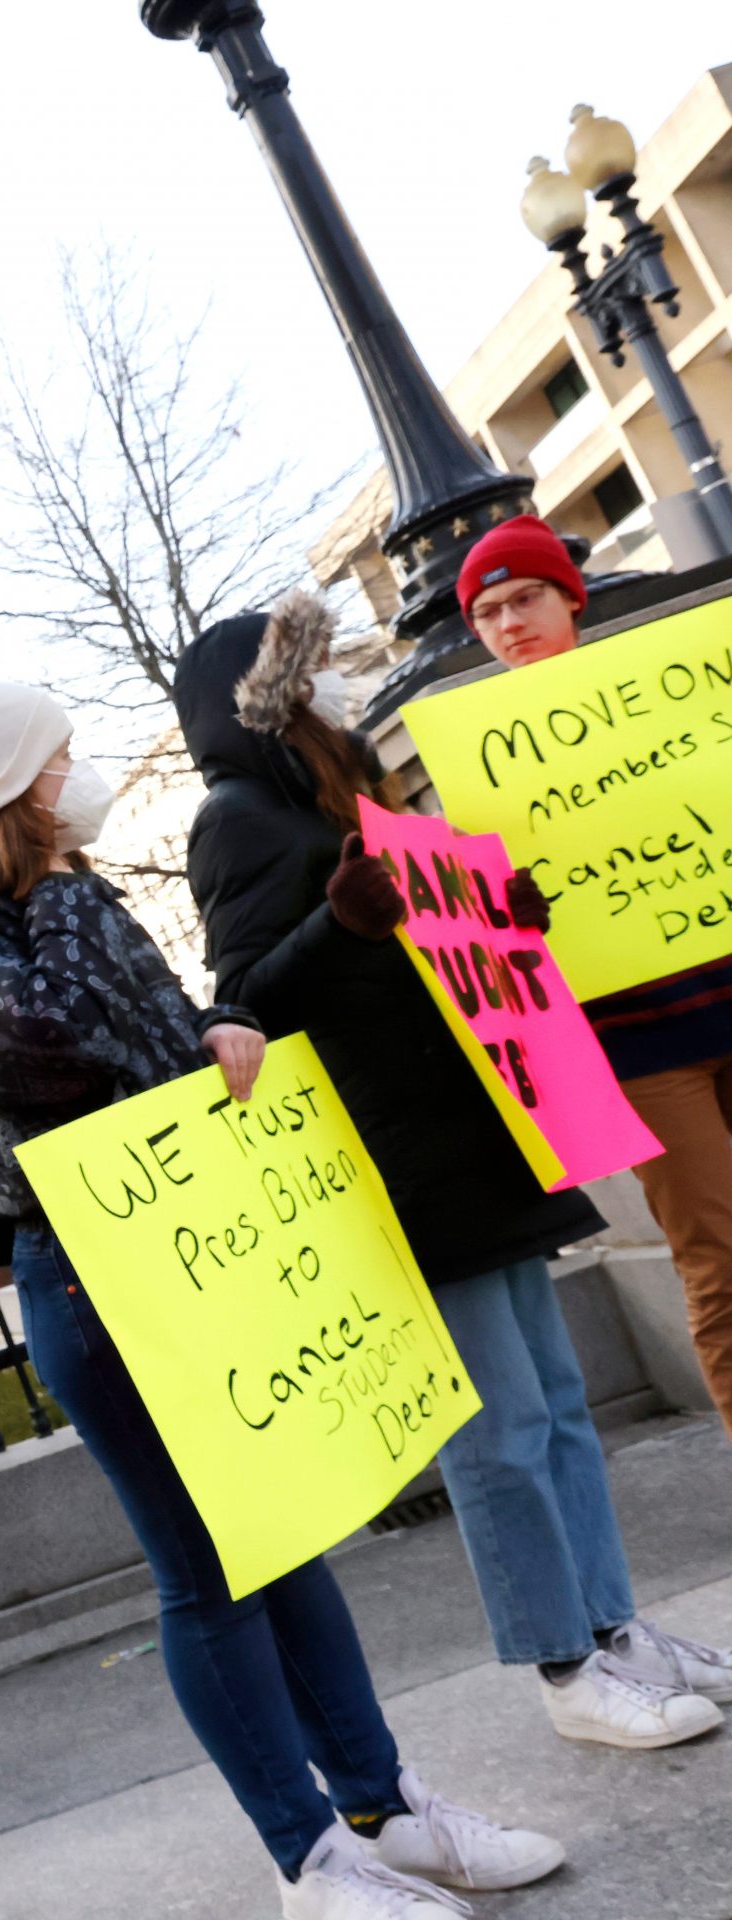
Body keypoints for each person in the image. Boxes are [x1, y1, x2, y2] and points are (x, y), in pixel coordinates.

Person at [0, 682, 562, 1919]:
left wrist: (216, 1023)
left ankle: (379, 1805)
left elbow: (148, 1030)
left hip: (190, 1247)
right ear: (8, 780)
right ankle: (304, 1855)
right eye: (52, 759)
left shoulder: (75, 893)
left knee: (280, 1531)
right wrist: (51, 889)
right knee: (203, 1571)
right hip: (92, 1276)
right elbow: (55, 1046)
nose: (72, 777)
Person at [174, 583, 732, 1749]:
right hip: (409, 1151)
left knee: (559, 1403)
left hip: (479, 1123)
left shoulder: (336, 788)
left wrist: (497, 914)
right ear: (258, 698)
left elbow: (416, 934)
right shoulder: (236, 817)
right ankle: (562, 1665)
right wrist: (341, 921)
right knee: (501, 1429)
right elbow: (240, 1003)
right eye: (309, 669)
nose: (333, 683)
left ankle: (611, 1625)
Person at [454, 515, 732, 1439]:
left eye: (525, 598)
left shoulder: (671, 693)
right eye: (487, 613)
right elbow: (478, 946)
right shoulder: (474, 762)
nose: (508, 624)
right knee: (718, 1261)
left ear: (569, 595)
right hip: (643, 1047)